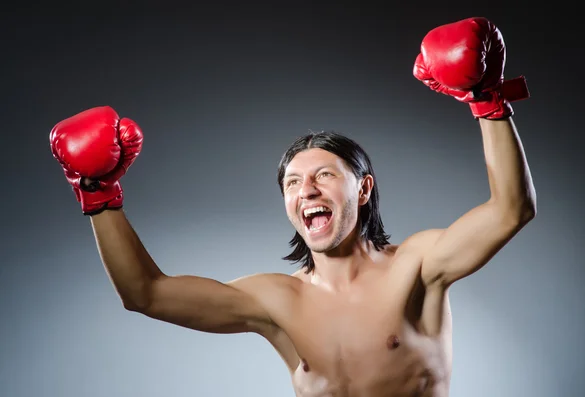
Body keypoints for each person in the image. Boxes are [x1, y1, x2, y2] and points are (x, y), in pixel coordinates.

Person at [49, 17, 536, 397]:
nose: (308, 190)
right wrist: (99, 196)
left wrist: (487, 103)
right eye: (294, 182)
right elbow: (145, 294)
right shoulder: (276, 299)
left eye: (325, 175)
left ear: (363, 190)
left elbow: (511, 210)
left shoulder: (417, 265)